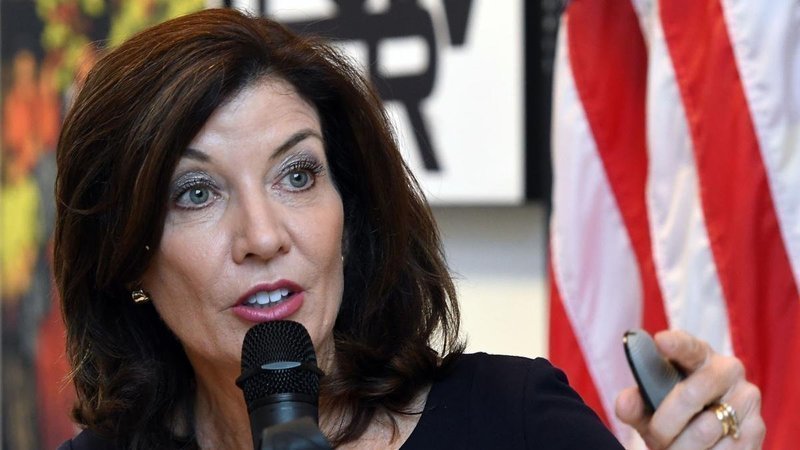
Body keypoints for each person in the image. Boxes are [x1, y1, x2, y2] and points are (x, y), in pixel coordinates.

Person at [54, 8, 764, 450]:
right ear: (128, 254)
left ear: (350, 211)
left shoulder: (516, 423)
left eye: (297, 175)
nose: (263, 237)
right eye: (197, 192)